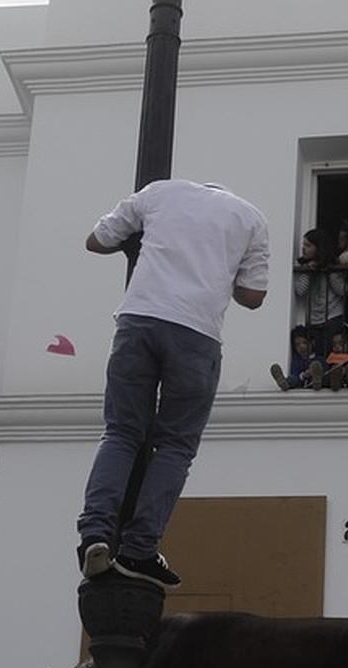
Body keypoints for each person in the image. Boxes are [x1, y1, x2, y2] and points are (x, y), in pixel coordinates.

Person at [77, 179, 269, 589]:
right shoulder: (250, 218)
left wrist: (140, 242)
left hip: (138, 320)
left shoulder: (158, 193)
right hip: (197, 336)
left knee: (121, 433)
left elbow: (95, 241)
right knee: (176, 446)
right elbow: (253, 296)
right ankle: (140, 548)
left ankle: (94, 535)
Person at [294, 228, 347, 356]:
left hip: (332, 318)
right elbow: (300, 291)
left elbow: (342, 290)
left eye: (308, 245)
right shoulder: (304, 267)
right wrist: (308, 272)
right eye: (303, 245)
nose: (303, 249)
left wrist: (327, 269)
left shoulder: (333, 266)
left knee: (332, 356)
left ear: (319, 248)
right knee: (318, 357)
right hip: (313, 321)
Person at [270, 325, 324, 391]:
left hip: (315, 382)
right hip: (300, 384)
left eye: (304, 342)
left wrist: (313, 371)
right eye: (297, 344)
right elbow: (294, 373)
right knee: (292, 379)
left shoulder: (319, 359)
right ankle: (283, 383)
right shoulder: (296, 361)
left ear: (312, 342)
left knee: (318, 369)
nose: (301, 347)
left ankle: (316, 382)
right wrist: (303, 375)